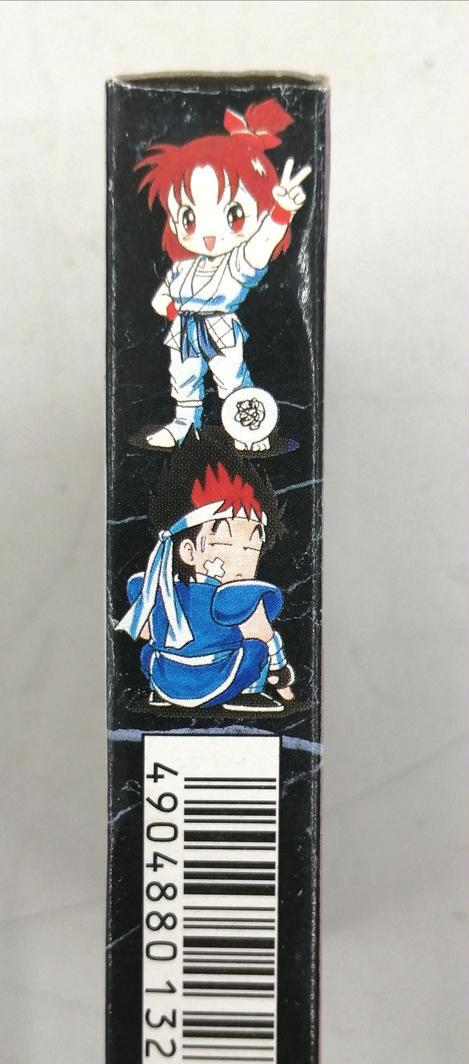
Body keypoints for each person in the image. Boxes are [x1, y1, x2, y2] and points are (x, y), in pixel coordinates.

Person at [135, 98, 311, 448]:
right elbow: (161, 300)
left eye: (233, 215)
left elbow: (261, 244)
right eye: (189, 218)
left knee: (230, 377)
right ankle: (184, 423)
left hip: (219, 325)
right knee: (183, 375)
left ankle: (248, 430)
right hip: (185, 329)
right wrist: (173, 309)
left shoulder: (237, 263)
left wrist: (280, 212)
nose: (209, 234)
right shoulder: (183, 268)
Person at [115, 435, 294, 711]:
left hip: (165, 681)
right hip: (219, 681)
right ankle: (248, 694)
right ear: (188, 552)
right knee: (256, 649)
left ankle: (159, 694)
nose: (242, 562)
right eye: (226, 546)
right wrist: (282, 676)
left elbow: (147, 634)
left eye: (250, 549)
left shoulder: (157, 590)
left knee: (149, 651)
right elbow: (265, 636)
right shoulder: (238, 598)